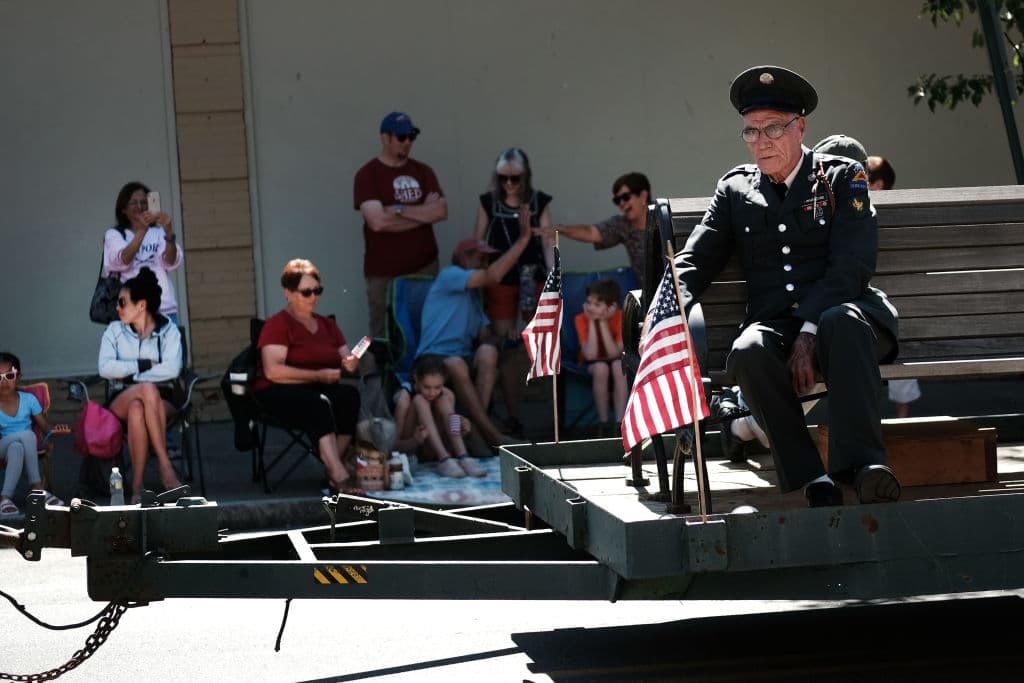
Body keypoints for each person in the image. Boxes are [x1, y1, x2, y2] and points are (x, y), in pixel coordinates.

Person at [676, 65, 901, 508]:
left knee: (841, 321)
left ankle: (862, 467)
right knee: (748, 349)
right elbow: (695, 259)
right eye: (751, 132)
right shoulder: (736, 190)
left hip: (847, 321)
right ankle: (811, 476)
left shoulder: (842, 178)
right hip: (777, 326)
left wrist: (808, 329)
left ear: (800, 128)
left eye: (773, 129)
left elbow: (851, 268)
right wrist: (669, 305)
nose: (761, 142)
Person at [253, 259, 363, 495]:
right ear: (288, 293)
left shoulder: (327, 325)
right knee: (318, 403)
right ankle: (339, 475)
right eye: (306, 292)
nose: (313, 297)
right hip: (277, 390)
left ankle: (332, 465)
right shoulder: (277, 324)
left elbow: (347, 361)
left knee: (349, 396)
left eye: (317, 291)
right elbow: (273, 371)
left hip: (317, 386)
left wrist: (352, 362)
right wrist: (318, 375)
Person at [415, 228, 533, 448]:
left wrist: (506, 337)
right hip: (432, 358)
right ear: (463, 257)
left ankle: (476, 431)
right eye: (481, 258)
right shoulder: (449, 275)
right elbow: (492, 276)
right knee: (457, 364)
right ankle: (492, 436)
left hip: (462, 358)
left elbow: (486, 339)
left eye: (488, 259)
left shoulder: (473, 300)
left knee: (488, 353)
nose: (485, 263)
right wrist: (523, 239)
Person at [473, 148, 554, 435]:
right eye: (503, 178)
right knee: (505, 344)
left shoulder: (538, 201)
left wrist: (554, 278)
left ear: (525, 176)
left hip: (532, 279)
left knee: (527, 346)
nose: (509, 184)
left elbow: (546, 243)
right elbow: (478, 243)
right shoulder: (488, 202)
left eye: (515, 178)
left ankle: (525, 415)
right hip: (500, 281)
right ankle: (510, 414)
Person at [354, 111, 448, 339]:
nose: (407, 142)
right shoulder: (368, 175)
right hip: (383, 272)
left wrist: (397, 210)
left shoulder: (423, 172)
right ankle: (375, 373)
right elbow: (377, 222)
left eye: (411, 136)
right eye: (401, 137)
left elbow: (440, 211)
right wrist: (421, 213)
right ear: (385, 138)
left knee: (424, 325)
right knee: (380, 330)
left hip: (424, 267)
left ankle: (421, 374)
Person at [99, 267, 184, 503]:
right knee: (145, 391)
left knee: (140, 407)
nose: (117, 308)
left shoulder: (169, 331)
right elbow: (105, 368)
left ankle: (136, 487)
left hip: (163, 398)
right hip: (120, 397)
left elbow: (172, 368)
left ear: (141, 305)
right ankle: (166, 467)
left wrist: (129, 374)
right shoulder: (114, 330)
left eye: (122, 302)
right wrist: (142, 367)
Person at [536, 172, 651, 284]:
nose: (621, 203)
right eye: (617, 200)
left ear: (643, 196)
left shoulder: (665, 215)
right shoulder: (623, 225)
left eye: (625, 197)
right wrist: (561, 229)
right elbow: (591, 233)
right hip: (651, 297)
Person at [393, 356, 486, 478]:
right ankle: (444, 459)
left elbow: (450, 431)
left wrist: (462, 426)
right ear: (416, 379)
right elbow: (394, 447)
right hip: (415, 451)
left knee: (445, 397)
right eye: (426, 387)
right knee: (420, 400)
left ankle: (463, 456)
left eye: (437, 387)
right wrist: (414, 440)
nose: (432, 393)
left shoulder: (445, 393)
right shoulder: (404, 399)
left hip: (437, 448)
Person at [104, 181, 183, 324]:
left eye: (144, 202)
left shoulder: (158, 233)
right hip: (131, 312)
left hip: (164, 310)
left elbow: (171, 262)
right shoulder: (115, 234)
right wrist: (142, 230)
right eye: (134, 203)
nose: (140, 207)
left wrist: (169, 232)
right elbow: (123, 260)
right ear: (123, 209)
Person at [0, 352, 66, 516]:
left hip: (17, 448)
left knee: (17, 448)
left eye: (9, 375)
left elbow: (45, 427)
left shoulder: (29, 400)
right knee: (28, 436)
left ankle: (5, 498)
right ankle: (37, 488)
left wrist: (55, 430)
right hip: (2, 445)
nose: (3, 382)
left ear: (18, 377)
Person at [574, 279, 627, 423]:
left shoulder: (620, 317)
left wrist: (602, 322)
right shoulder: (581, 319)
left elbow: (615, 353)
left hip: (614, 358)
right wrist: (592, 321)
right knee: (601, 368)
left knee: (618, 366)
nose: (590, 307)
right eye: (589, 302)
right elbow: (590, 355)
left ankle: (619, 421)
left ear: (612, 307)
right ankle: (603, 422)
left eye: (597, 304)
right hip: (592, 363)